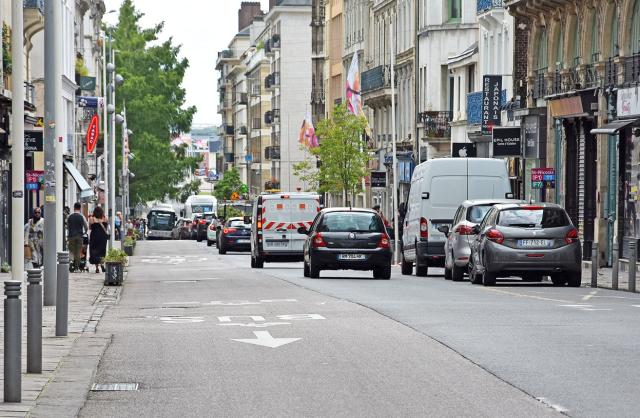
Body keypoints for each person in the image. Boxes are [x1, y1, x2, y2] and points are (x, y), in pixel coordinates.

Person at [67, 202, 88, 272]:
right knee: (78, 252)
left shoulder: (70, 216)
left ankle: (71, 262)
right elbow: (86, 227)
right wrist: (84, 232)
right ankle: (76, 268)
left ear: (74, 207)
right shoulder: (82, 216)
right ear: (80, 208)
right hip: (79, 236)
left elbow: (67, 226)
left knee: (71, 250)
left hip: (71, 236)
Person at [89, 206, 109, 273]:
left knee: (94, 251)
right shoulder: (105, 218)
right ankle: (102, 264)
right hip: (102, 237)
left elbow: (90, 227)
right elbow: (106, 226)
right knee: (102, 251)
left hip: (94, 236)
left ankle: (97, 267)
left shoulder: (91, 218)